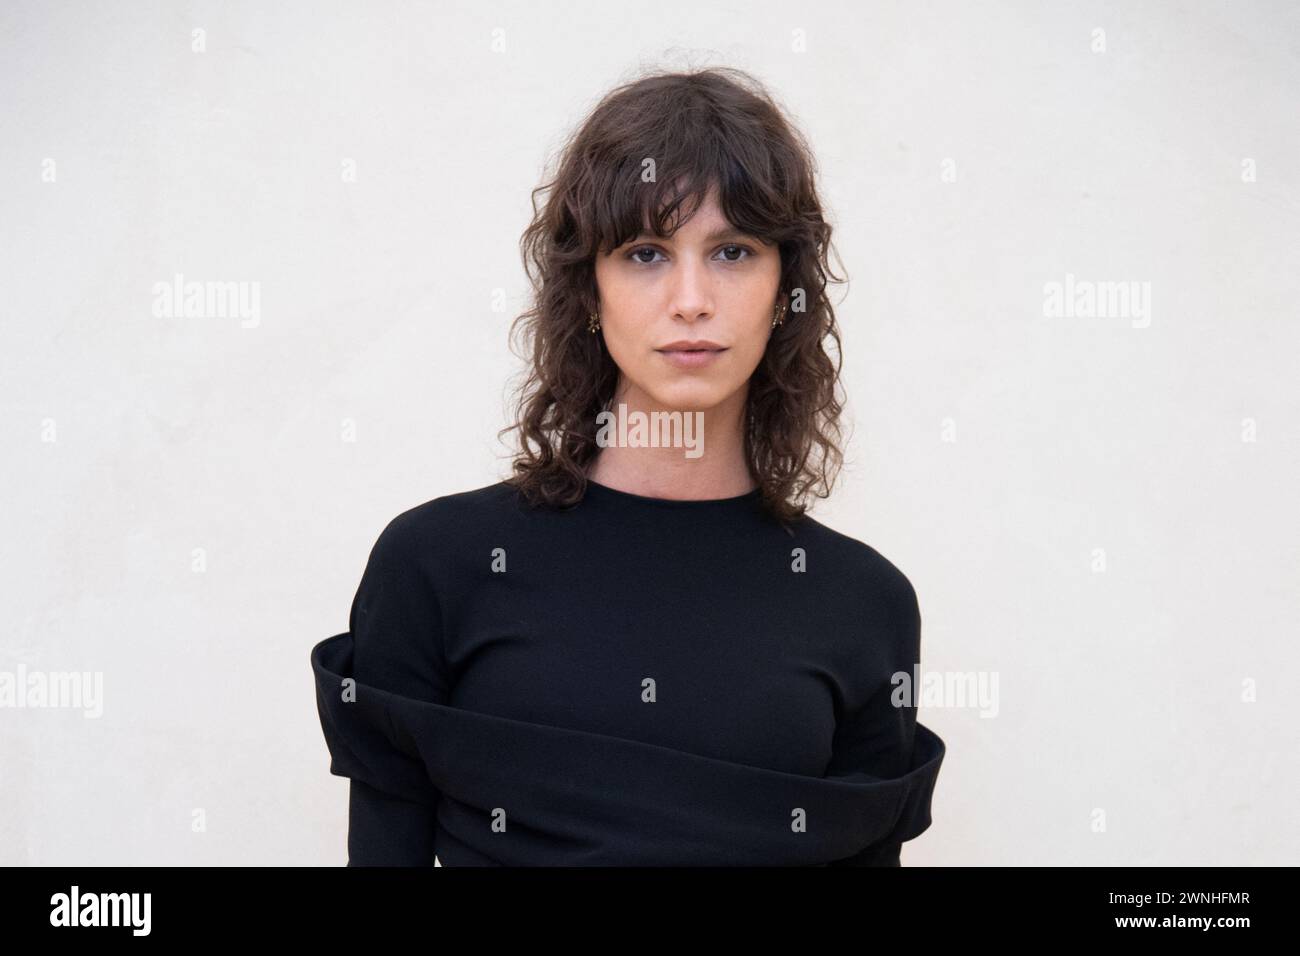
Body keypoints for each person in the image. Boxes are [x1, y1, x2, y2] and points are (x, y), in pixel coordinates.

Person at [311, 66, 945, 866]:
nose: (690, 299)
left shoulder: (864, 605)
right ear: (587, 289)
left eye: (733, 251)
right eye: (646, 252)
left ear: (787, 287)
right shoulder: (437, 565)